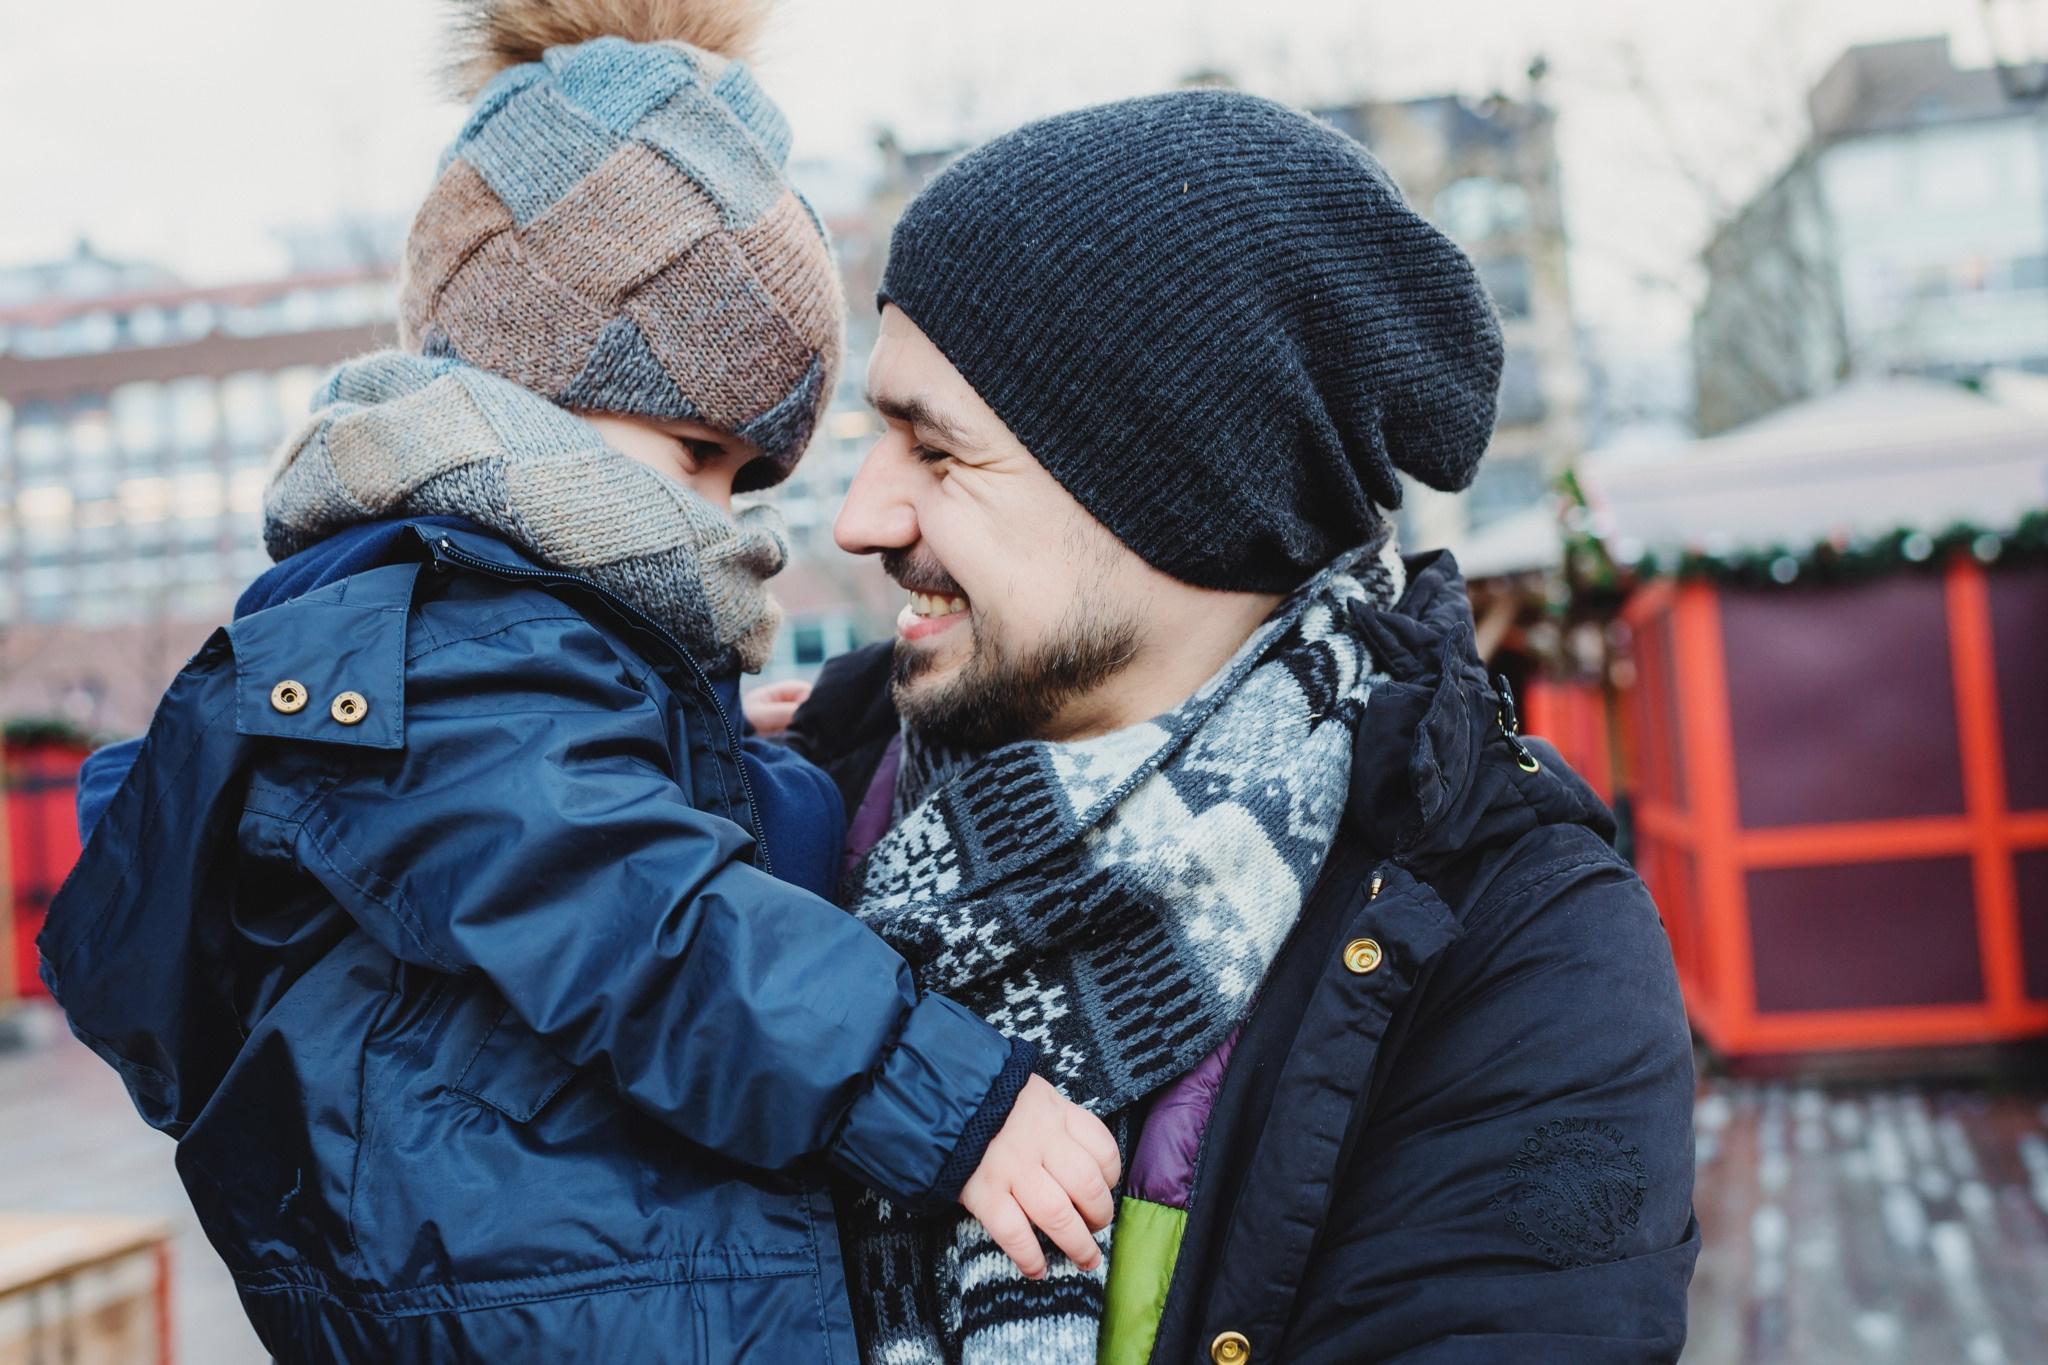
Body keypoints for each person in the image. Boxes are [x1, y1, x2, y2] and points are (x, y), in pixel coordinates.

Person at [38, 4, 1118, 1360]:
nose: (725, 518)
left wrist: (714, 749)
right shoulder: (459, 633)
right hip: (564, 1297)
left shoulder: (491, 635)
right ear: (533, 383)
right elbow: (635, 914)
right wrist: (933, 1093)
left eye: (748, 475)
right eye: (693, 452)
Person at [785, 91, 1699, 1363]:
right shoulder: (786, 806)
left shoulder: (1510, 948)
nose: (860, 522)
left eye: (935, 455)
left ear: (1175, 495)